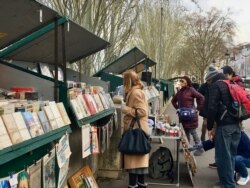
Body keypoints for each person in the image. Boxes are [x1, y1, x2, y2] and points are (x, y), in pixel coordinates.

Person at [206, 68, 241, 187]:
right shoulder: (231, 83)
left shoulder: (216, 86)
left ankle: (228, 185)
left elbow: (211, 108)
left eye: (208, 82)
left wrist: (210, 127)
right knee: (230, 157)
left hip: (224, 127)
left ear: (211, 79)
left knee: (222, 158)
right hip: (236, 126)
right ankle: (229, 183)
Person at [121, 70, 149, 188]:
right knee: (138, 163)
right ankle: (139, 184)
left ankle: (133, 185)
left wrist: (125, 109)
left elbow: (142, 111)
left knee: (134, 161)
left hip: (136, 131)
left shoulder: (135, 93)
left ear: (128, 81)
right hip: (138, 129)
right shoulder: (137, 91)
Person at [171, 76, 205, 156]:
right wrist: (178, 109)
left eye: (182, 81)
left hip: (191, 115)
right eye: (180, 81)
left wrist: (198, 108)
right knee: (186, 132)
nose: (181, 82)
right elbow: (173, 101)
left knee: (193, 131)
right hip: (183, 116)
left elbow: (201, 97)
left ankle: (200, 148)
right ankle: (187, 147)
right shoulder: (180, 92)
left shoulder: (191, 90)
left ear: (186, 82)